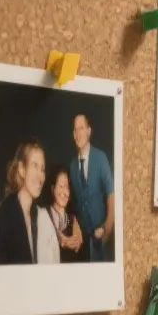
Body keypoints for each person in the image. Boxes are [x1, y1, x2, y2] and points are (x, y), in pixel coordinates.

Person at [0, 139, 47, 265]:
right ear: (22, 169)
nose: (40, 176)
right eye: (35, 166)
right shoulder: (5, 215)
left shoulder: (36, 214)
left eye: (43, 169)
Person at [69, 113, 115, 262]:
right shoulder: (72, 166)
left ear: (89, 131)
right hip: (82, 241)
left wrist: (107, 230)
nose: (78, 133)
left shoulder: (101, 158)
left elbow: (111, 194)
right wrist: (75, 224)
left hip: (102, 237)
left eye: (81, 128)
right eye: (75, 130)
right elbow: (73, 203)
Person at [43, 165, 84, 264]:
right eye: (60, 186)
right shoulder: (43, 215)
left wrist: (76, 243)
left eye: (67, 187)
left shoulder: (73, 220)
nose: (64, 192)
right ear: (52, 189)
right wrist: (57, 238)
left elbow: (78, 248)